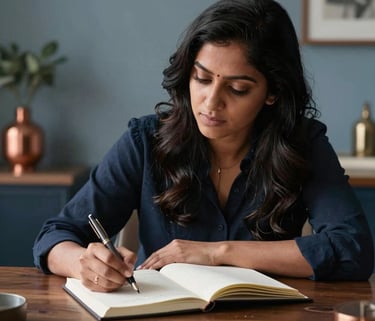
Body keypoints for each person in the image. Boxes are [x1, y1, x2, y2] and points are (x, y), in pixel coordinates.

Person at [33, 0, 374, 292]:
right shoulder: (145, 140)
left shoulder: (303, 143)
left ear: (273, 93)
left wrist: (217, 252)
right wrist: (85, 264)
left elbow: (352, 248)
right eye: (202, 78)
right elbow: (55, 235)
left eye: (238, 89)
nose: (211, 102)